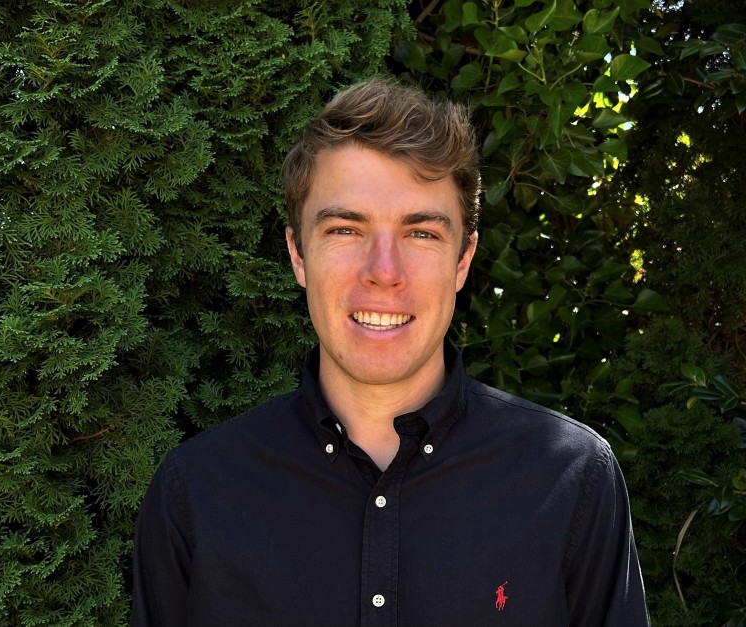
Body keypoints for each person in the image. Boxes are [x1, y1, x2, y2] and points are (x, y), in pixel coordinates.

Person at [132, 78, 649, 626]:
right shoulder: (196, 493)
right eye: (345, 230)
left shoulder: (570, 480)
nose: (384, 272)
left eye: (421, 233)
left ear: (463, 260)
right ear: (298, 254)